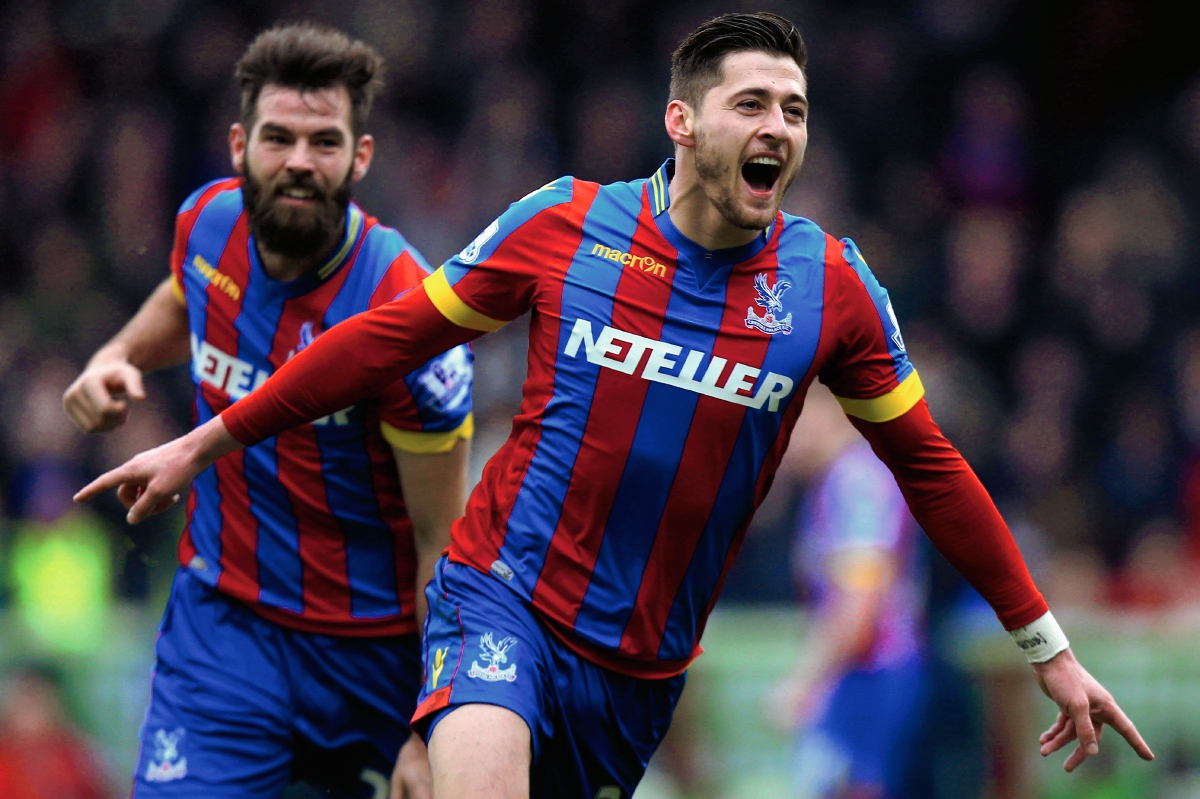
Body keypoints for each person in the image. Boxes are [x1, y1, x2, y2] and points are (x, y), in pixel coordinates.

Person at [75, 12, 1154, 799]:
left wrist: (1045, 645)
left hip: (636, 666)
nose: (778, 125)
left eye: (795, 109)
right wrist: (210, 435)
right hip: (499, 592)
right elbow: (392, 338)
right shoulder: (568, 224)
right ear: (682, 121)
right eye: (751, 103)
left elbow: (930, 465)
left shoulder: (831, 288)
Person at [63, 24, 473, 799]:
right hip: (226, 625)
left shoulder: (404, 314)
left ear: (361, 156)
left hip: (371, 659)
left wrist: (431, 722)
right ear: (237, 144)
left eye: (324, 142)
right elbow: (184, 291)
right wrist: (114, 355)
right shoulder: (207, 222)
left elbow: (441, 539)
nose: (297, 162)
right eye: (278, 138)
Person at [772, 385, 941, 798]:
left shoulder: (858, 482)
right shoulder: (835, 482)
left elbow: (861, 603)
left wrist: (804, 682)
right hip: (864, 678)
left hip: (874, 678)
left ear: (825, 408)